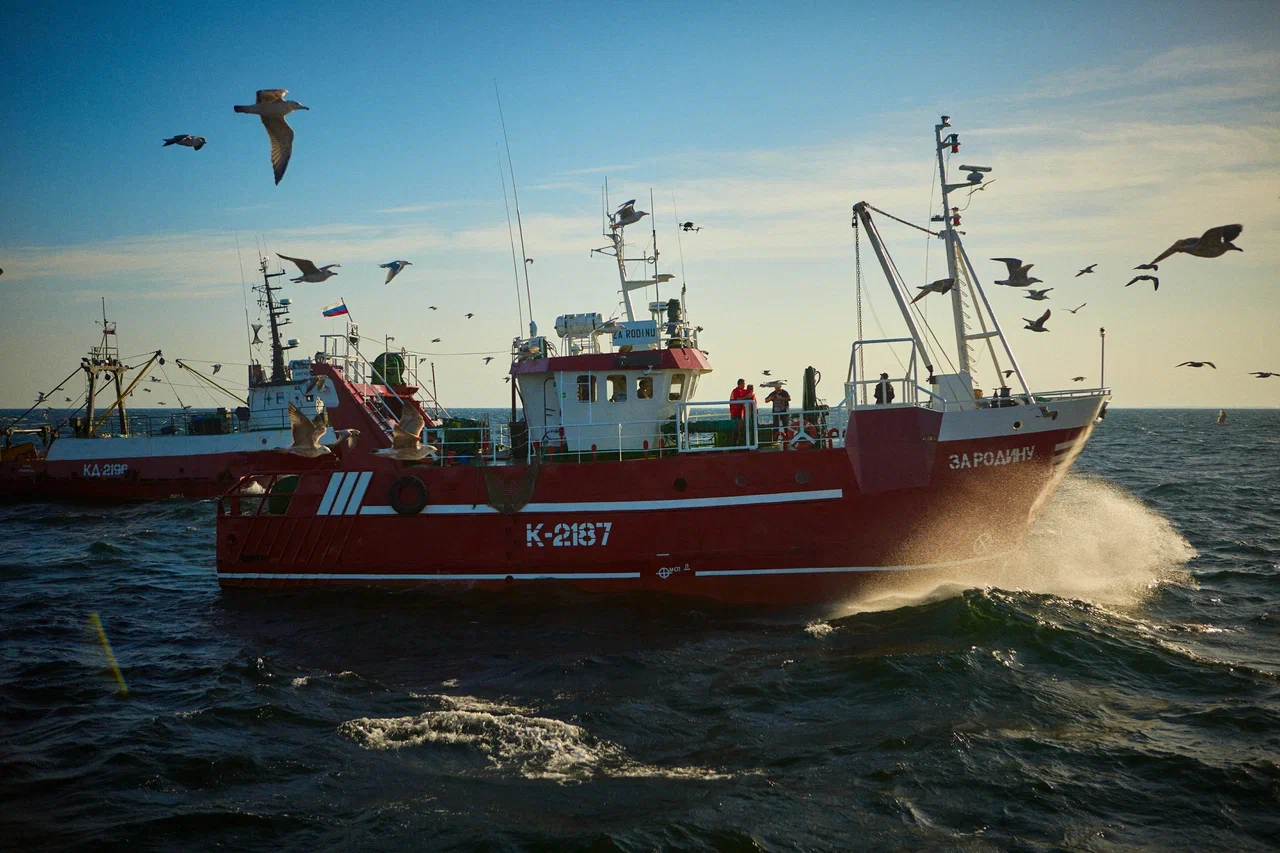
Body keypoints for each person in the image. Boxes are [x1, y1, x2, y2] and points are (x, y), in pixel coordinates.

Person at [729, 378, 751, 444]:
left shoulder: (739, 391)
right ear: (741, 384)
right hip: (735, 413)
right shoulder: (736, 391)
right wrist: (747, 396)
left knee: (738, 430)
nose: (744, 385)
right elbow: (738, 399)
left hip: (738, 413)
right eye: (744, 384)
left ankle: (736, 444)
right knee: (736, 430)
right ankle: (735, 445)